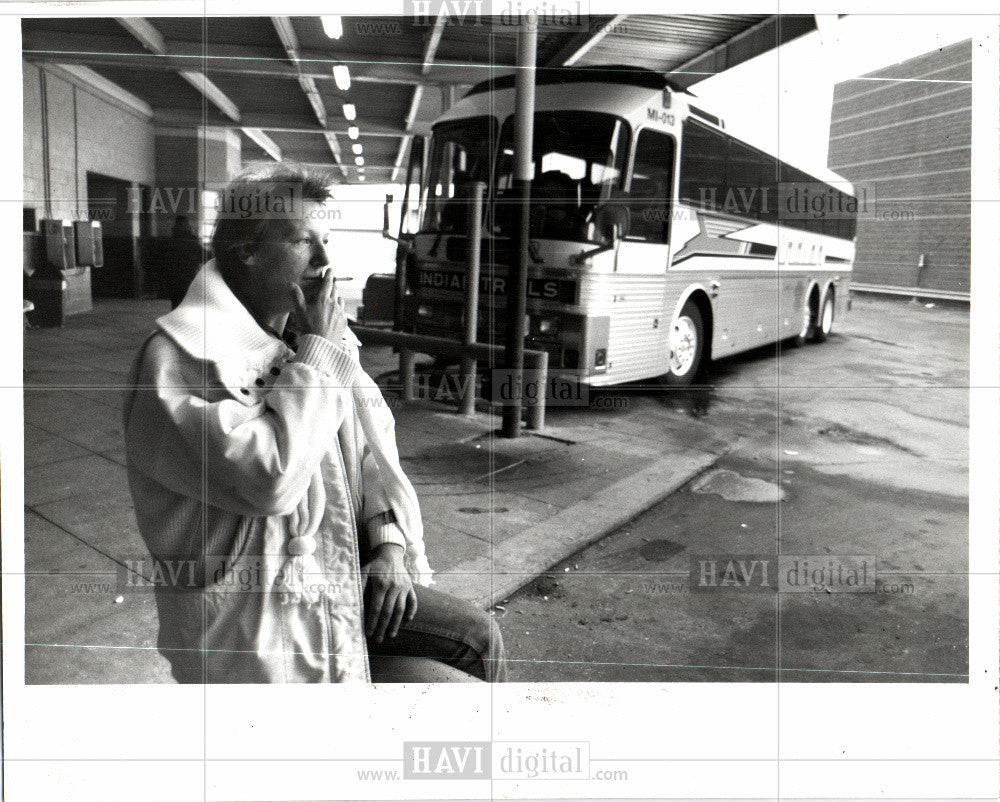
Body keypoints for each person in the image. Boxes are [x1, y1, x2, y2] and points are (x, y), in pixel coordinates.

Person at [123, 163, 506, 683]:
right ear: (246, 250)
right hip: (260, 619)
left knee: (478, 635)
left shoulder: (313, 336)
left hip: (336, 578)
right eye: (304, 241)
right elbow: (271, 478)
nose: (325, 260)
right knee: (459, 687)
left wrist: (390, 544)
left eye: (326, 239)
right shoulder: (179, 359)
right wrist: (319, 356)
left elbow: (369, 451)